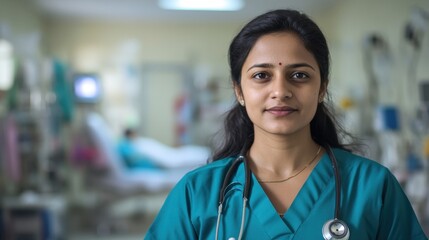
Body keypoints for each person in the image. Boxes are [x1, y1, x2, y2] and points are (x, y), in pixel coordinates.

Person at [145, 9, 428, 239]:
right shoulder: (198, 192)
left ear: (321, 88)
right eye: (261, 76)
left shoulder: (371, 186)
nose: (280, 91)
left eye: (300, 75)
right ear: (239, 91)